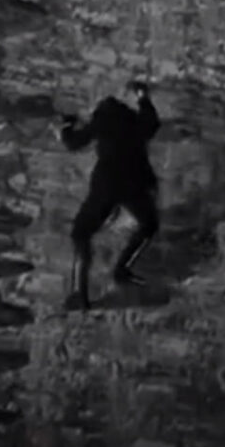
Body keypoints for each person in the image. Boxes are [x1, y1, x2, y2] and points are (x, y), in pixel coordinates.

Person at [58, 81, 160, 310]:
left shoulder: (101, 119)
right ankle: (122, 269)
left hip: (108, 184)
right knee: (149, 225)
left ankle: (80, 294)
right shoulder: (134, 120)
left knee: (81, 233)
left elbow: (74, 142)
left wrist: (67, 125)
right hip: (135, 182)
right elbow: (153, 123)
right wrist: (144, 98)